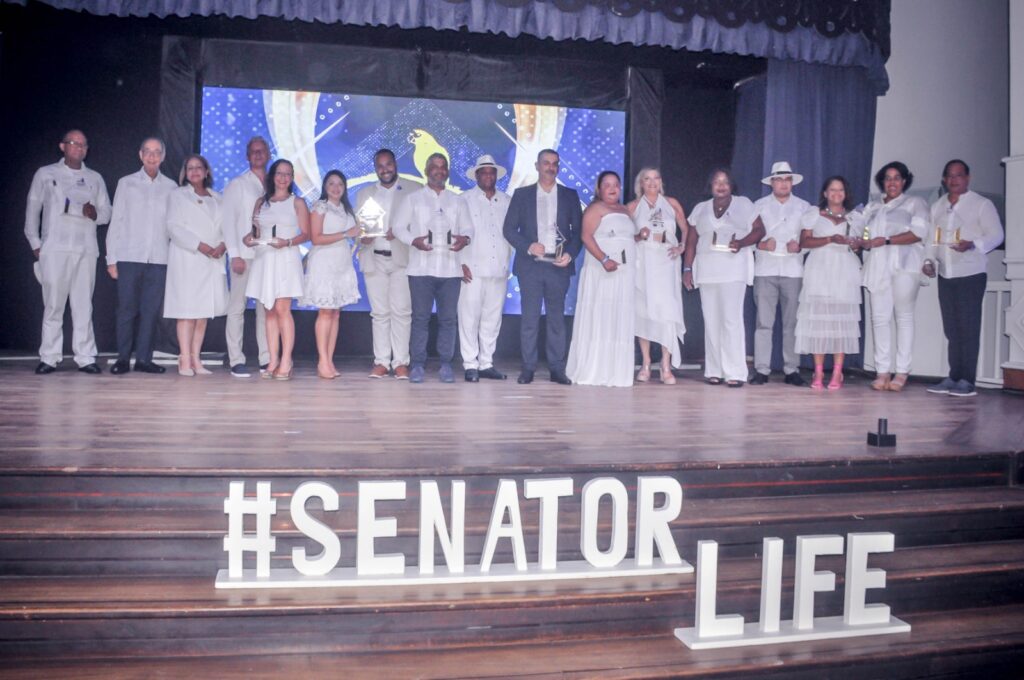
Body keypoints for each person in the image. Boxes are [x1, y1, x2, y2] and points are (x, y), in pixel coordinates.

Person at [24, 129, 111, 374]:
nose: (79, 148)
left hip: (85, 249)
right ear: (62, 146)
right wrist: (36, 244)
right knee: (53, 305)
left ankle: (85, 356)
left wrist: (95, 214)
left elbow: (106, 213)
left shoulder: (95, 178)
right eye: (74, 143)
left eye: (83, 145)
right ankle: (50, 356)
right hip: (55, 249)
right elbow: (33, 208)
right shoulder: (46, 173)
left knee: (84, 305)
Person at [923, 159, 1004, 398]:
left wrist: (973, 245)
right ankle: (954, 376)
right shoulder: (937, 206)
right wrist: (928, 261)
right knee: (952, 329)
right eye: (949, 176)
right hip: (946, 274)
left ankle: (967, 380)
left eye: (958, 175)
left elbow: (997, 235)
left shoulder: (981, 204)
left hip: (970, 273)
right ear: (944, 179)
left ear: (968, 178)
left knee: (968, 328)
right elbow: (930, 239)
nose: (954, 180)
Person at [502, 149, 583, 385]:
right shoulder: (522, 195)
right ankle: (528, 368)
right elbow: (508, 229)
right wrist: (528, 246)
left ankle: (556, 368)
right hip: (531, 266)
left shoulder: (569, 195)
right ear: (537, 166)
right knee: (529, 319)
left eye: (555, 164)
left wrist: (570, 253)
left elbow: (578, 233)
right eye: (546, 163)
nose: (550, 167)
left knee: (557, 320)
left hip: (559, 267)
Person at [392, 153, 472, 383]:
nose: (439, 170)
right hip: (421, 270)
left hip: (450, 271)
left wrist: (465, 239)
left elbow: (469, 229)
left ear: (447, 171)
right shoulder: (413, 199)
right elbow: (398, 227)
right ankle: (417, 364)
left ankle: (446, 364)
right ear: (427, 171)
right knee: (420, 319)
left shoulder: (458, 201)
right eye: (435, 167)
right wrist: (412, 241)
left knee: (448, 320)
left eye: (443, 167)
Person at [683, 168, 763, 387]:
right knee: (711, 321)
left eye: (725, 182)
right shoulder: (700, 209)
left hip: (733, 269)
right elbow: (691, 240)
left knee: (731, 320)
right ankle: (714, 370)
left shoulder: (744, 204)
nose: (721, 186)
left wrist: (742, 242)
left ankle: (735, 372)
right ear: (710, 186)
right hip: (707, 271)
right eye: (717, 182)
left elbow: (759, 230)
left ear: (731, 185)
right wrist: (687, 269)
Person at [105, 137, 176, 375]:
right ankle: (123, 358)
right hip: (129, 256)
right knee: (126, 310)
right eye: (148, 152)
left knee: (150, 312)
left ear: (163, 156)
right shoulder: (126, 183)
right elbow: (116, 222)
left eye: (157, 152)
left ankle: (144, 359)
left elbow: (174, 226)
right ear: (140, 154)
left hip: (158, 259)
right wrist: (111, 259)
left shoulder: (172, 187)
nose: (152, 156)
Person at [859, 161, 929, 391]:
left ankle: (902, 372)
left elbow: (918, 233)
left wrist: (886, 241)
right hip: (877, 265)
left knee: (904, 317)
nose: (892, 182)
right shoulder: (871, 207)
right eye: (888, 178)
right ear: (882, 182)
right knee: (879, 319)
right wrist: (860, 242)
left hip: (904, 265)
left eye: (897, 177)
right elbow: (864, 234)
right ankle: (882, 372)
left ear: (905, 181)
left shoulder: (915, 203)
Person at [566, 171, 637, 387]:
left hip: (624, 272)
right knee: (601, 315)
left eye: (616, 184)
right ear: (599, 189)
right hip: (602, 271)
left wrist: (640, 237)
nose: (612, 188)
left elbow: (626, 238)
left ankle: (616, 370)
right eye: (607, 184)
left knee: (618, 316)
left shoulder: (626, 210)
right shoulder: (595, 209)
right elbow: (585, 236)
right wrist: (604, 259)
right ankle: (595, 369)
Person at [241, 159, 310, 380]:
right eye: (279, 173)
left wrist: (287, 242)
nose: (283, 178)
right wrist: (249, 239)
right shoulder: (261, 202)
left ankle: (286, 360)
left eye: (288, 174)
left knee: (282, 310)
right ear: (272, 176)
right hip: (264, 259)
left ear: (292, 178)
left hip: (286, 258)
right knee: (269, 311)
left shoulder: (297, 202)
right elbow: (254, 231)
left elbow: (306, 234)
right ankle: (273, 359)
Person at [794, 176, 863, 391]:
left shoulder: (855, 218)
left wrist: (855, 245)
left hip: (845, 271)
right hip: (819, 269)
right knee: (819, 323)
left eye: (840, 190)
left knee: (840, 323)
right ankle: (818, 371)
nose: (836, 194)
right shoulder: (813, 214)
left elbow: (860, 246)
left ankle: (837, 372)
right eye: (832, 190)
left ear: (846, 193)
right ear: (825, 193)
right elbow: (804, 242)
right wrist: (829, 239)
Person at [356, 148, 420, 379]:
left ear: (396, 164)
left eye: (388, 164)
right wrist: (361, 237)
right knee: (380, 313)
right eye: (380, 166)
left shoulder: (413, 189)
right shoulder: (364, 194)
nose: (385, 169)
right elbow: (358, 228)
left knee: (402, 312)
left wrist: (402, 232)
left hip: (402, 258)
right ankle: (382, 361)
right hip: (374, 257)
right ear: (375, 169)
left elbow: (421, 225)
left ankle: (401, 362)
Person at [162, 154, 228, 376]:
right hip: (188, 258)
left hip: (211, 261)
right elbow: (173, 227)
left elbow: (226, 228)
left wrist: (222, 245)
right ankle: (184, 358)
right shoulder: (178, 195)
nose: (195, 171)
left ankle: (197, 359)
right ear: (185, 173)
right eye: (190, 168)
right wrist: (200, 246)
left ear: (207, 171)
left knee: (203, 314)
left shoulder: (218, 198)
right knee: (187, 311)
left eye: (199, 167)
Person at [750, 161, 811, 387]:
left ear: (792, 182)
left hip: (793, 269)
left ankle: (791, 369)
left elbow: (810, 236)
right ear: (772, 182)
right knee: (763, 323)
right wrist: (761, 245)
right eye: (779, 179)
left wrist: (801, 247)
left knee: (791, 323)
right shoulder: (758, 206)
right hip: (765, 268)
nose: (783, 183)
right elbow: (749, 235)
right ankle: (762, 369)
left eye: (787, 179)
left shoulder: (805, 207)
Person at [627, 167, 687, 385]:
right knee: (643, 310)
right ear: (640, 183)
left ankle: (665, 364)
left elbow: (686, 227)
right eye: (647, 179)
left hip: (666, 261)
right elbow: (624, 236)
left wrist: (681, 246)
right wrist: (637, 236)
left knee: (667, 311)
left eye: (656, 178)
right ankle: (645, 363)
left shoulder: (671, 203)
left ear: (661, 181)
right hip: (643, 262)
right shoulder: (633, 207)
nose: (652, 182)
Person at [301, 170, 361, 379]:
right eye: (331, 184)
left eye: (340, 184)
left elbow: (355, 234)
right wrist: (346, 234)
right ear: (325, 187)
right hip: (324, 263)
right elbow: (315, 238)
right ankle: (322, 361)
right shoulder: (320, 207)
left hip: (341, 263)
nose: (336, 188)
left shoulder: (345, 208)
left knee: (335, 313)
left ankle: (329, 359)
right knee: (325, 312)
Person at [458, 155, 512, 382]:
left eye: (492, 172)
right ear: (477, 175)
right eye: (484, 172)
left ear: (496, 176)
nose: (488, 176)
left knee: (492, 319)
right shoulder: (463, 200)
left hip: (498, 269)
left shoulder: (508, 201)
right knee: (469, 318)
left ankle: (486, 363)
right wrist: (459, 263)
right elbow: (455, 232)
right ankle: (470, 364)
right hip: (471, 269)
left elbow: (512, 234)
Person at [221, 136, 271, 377]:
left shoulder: (276, 184)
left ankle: (266, 358)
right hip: (244, 255)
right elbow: (228, 222)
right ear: (247, 156)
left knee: (265, 308)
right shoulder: (237, 184)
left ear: (269, 154)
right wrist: (234, 255)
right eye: (253, 151)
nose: (258, 155)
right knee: (237, 307)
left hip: (268, 256)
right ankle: (236, 359)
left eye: (262, 151)